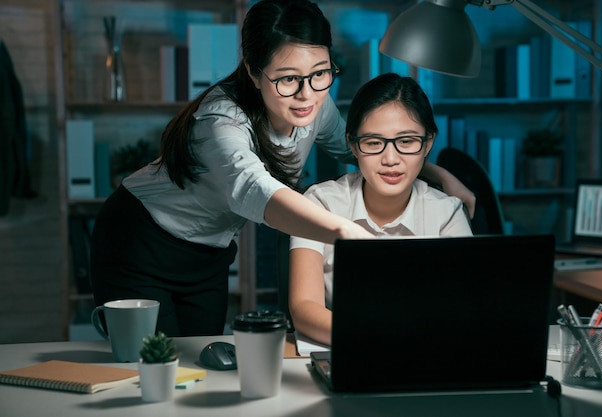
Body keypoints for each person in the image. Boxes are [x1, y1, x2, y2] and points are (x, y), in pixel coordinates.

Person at [90, 0, 475, 337]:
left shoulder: (314, 105)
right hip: (140, 241)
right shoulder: (220, 123)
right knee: (154, 364)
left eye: (320, 73)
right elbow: (257, 191)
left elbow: (360, 146)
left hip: (209, 254)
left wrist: (438, 174)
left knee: (195, 363)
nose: (307, 94)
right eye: (288, 79)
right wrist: (343, 229)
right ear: (254, 73)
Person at [289, 73, 474, 346]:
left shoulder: (446, 213)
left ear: (428, 143)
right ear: (353, 144)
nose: (390, 159)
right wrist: (380, 338)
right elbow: (304, 308)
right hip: (344, 350)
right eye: (374, 143)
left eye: (407, 142)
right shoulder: (321, 204)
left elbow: (466, 306)